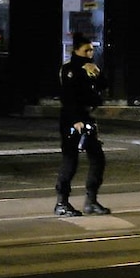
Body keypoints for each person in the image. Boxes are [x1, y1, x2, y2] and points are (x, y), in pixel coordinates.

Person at [53, 33, 111, 217]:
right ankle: (62, 202)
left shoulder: (90, 67)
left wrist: (97, 74)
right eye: (86, 50)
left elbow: (103, 86)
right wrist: (75, 120)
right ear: (76, 50)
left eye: (92, 50)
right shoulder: (70, 69)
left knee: (97, 158)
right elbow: (68, 97)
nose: (90, 53)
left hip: (87, 117)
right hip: (73, 120)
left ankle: (91, 200)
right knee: (70, 160)